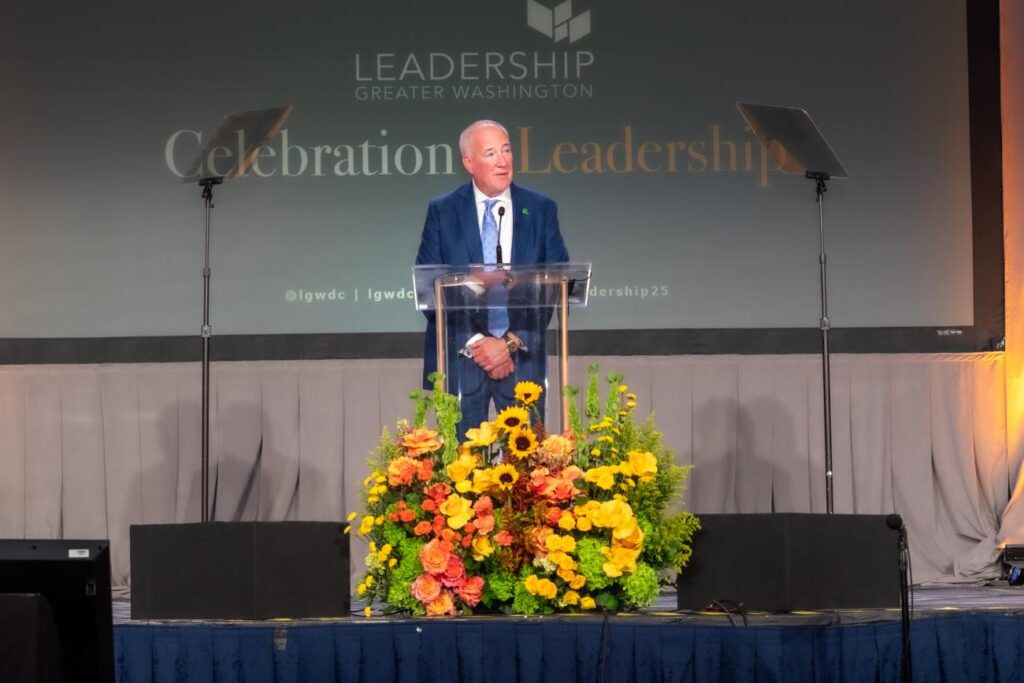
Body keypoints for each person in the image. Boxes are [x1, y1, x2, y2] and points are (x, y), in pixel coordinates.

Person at [416, 120, 569, 438]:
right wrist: (478, 345)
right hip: (461, 359)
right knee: (461, 463)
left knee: (527, 465)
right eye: (490, 153)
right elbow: (430, 287)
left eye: (507, 150)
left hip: (523, 359)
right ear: (469, 162)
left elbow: (557, 283)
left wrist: (509, 343)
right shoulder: (443, 210)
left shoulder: (539, 208)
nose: (503, 161)